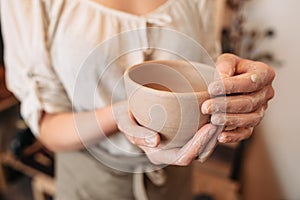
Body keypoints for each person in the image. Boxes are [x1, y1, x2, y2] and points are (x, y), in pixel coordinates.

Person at [1, 0, 275, 199]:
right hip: (91, 184)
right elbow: (46, 124)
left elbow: (204, 72)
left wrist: (233, 84)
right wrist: (120, 116)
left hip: (175, 181)